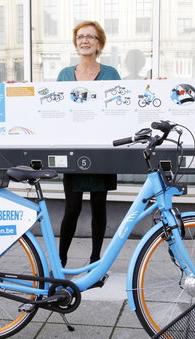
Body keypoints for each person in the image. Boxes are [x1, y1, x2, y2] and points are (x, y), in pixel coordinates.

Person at [57, 21, 121, 267]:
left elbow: (122, 105)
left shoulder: (111, 74)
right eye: (80, 37)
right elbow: (52, 107)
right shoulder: (64, 75)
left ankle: (95, 260)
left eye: (90, 37)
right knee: (71, 208)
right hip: (73, 149)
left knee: (99, 206)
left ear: (99, 44)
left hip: (101, 149)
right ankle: (60, 259)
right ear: (76, 42)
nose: (84, 41)